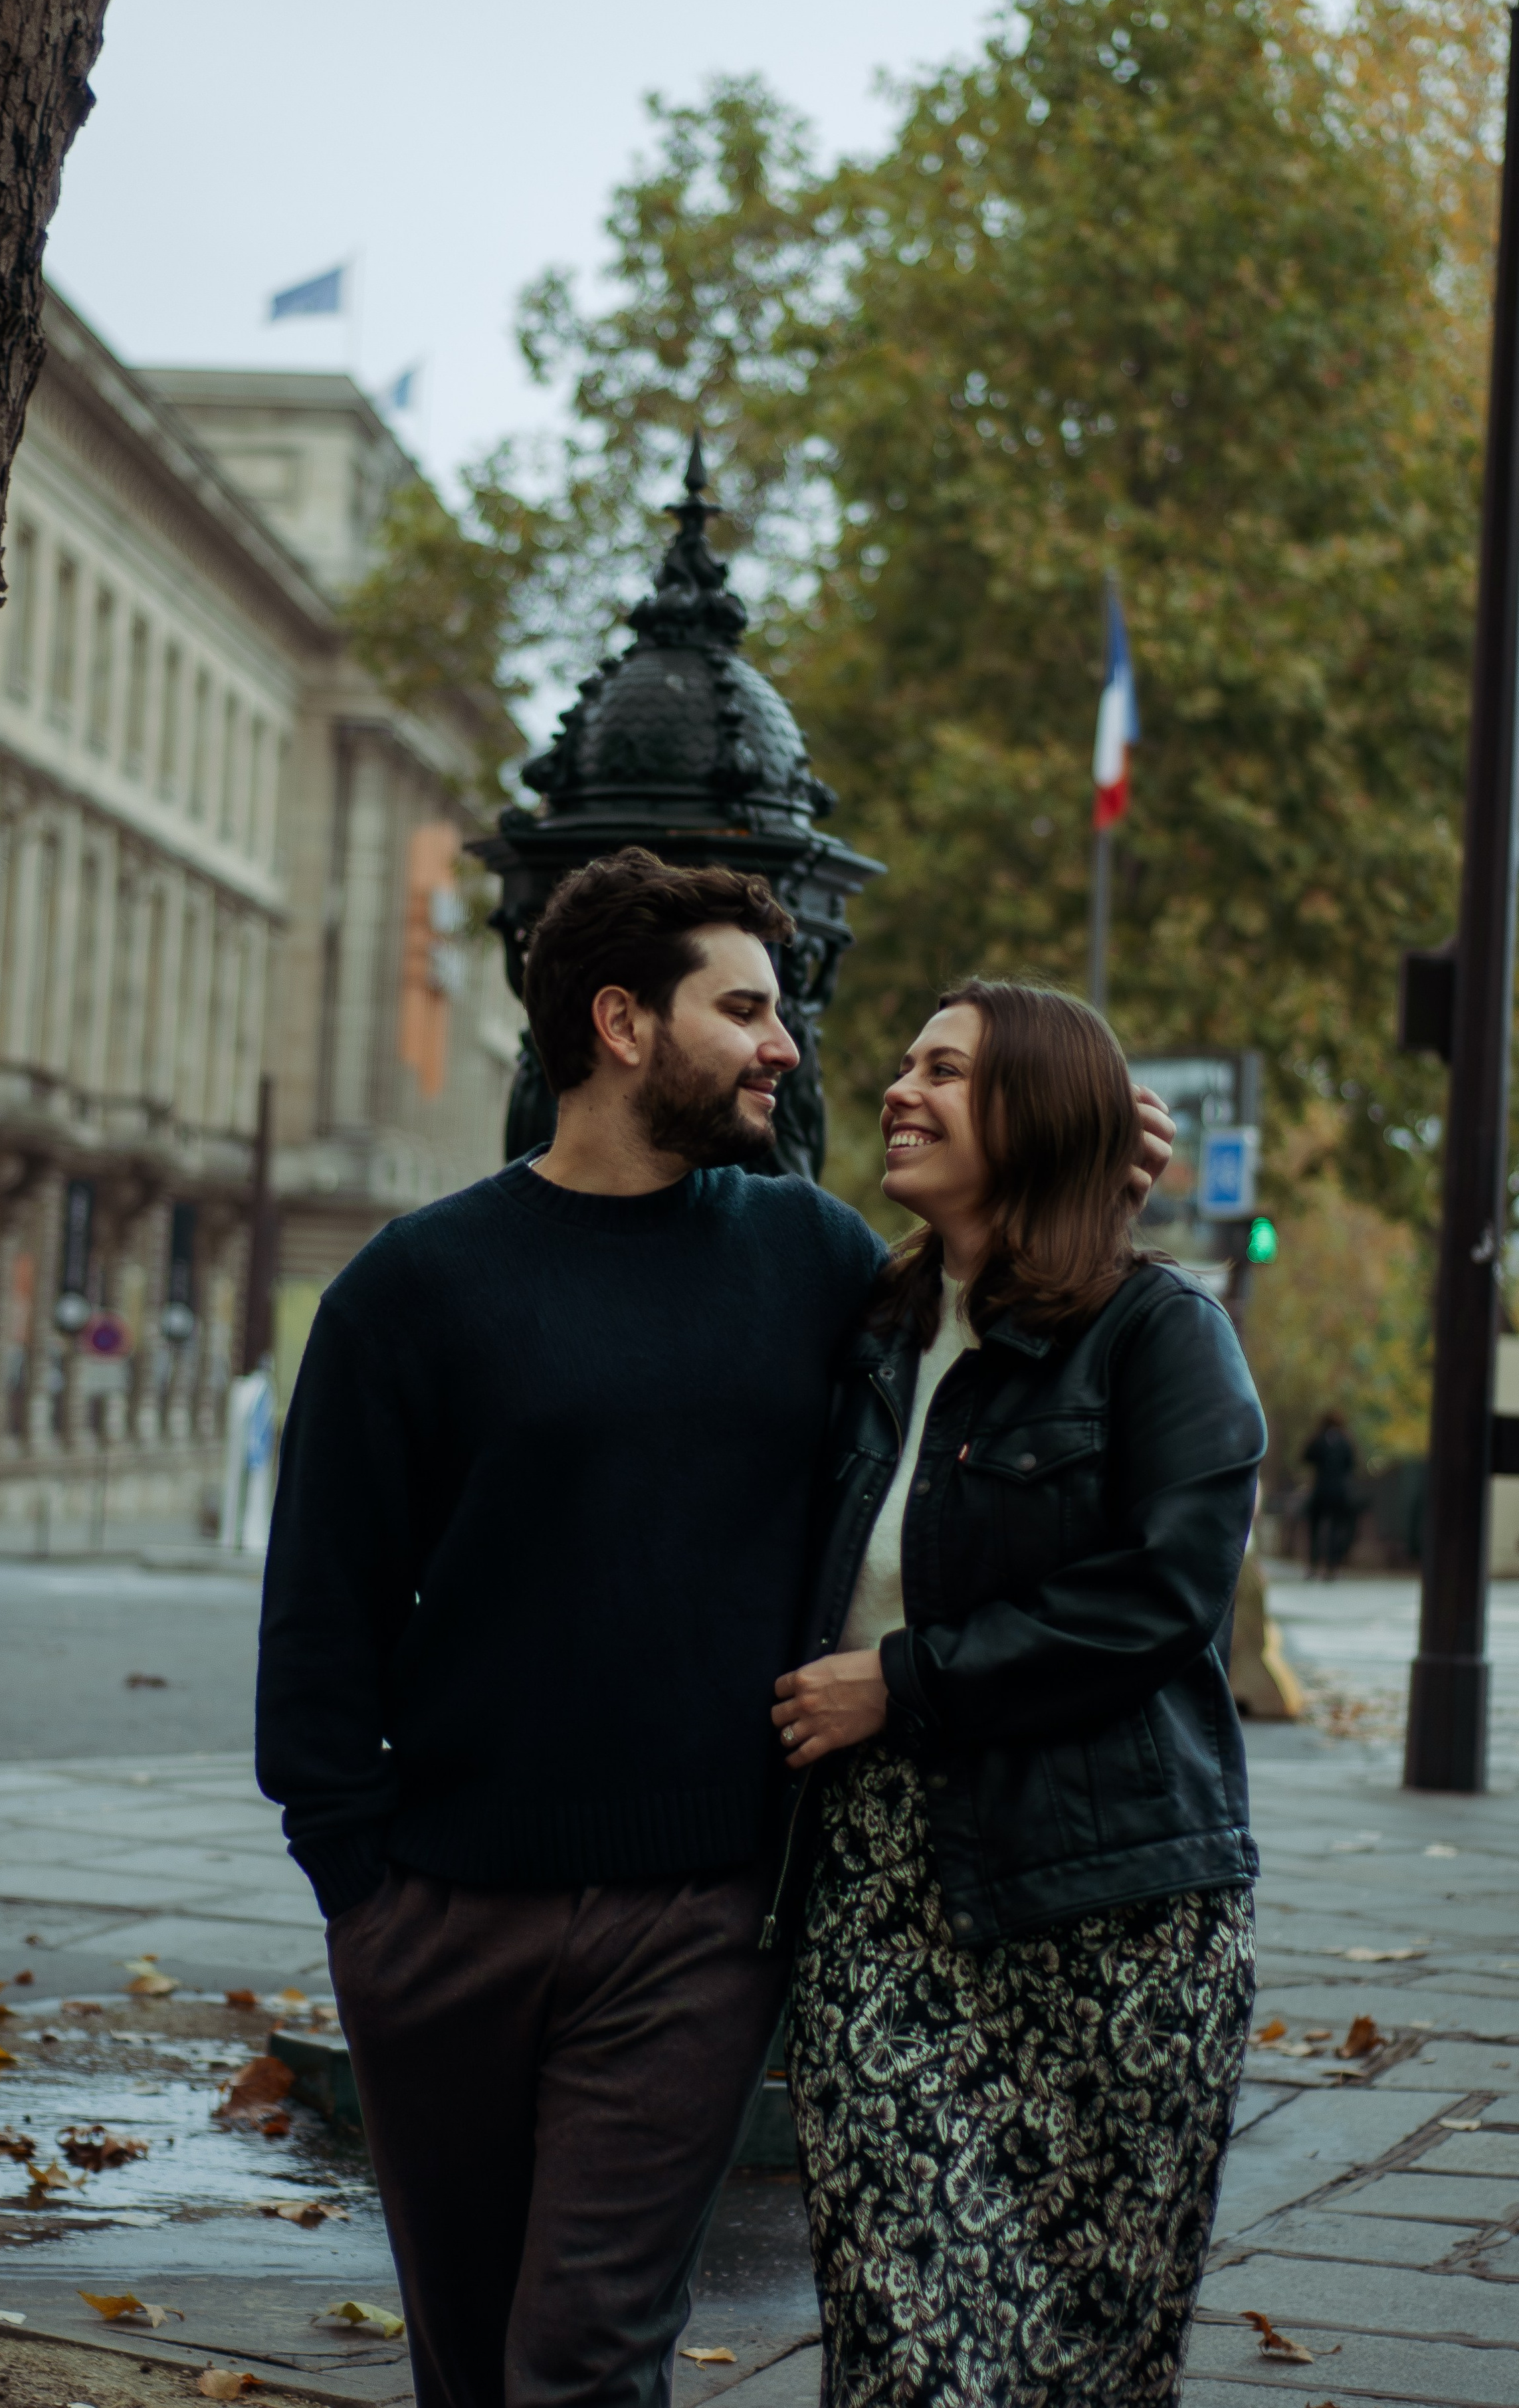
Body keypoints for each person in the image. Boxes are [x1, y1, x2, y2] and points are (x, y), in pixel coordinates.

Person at [256, 855, 1175, 2408]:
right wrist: (363, 1889)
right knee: (467, 2357)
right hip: (440, 1918)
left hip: (698, 1915)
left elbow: (1001, 1330)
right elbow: (320, 1616)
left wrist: (1082, 1177)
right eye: (743, 1006)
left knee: (584, 2354)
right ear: (621, 1021)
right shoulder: (406, 1290)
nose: (785, 1046)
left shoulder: (809, 1256)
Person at [771, 979, 1265, 2408]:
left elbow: (1163, 1597)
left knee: (1088, 2368)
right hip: (879, 1893)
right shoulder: (872, 1321)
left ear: (1037, 1117)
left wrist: (903, 1685)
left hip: (1113, 1910)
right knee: (906, 2352)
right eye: (903, 1062)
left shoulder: (1159, 1332)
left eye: (949, 1071)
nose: (897, 1088)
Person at [1302, 1412, 1358, 1579]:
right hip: (1338, 1492)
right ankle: (1332, 1567)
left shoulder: (1319, 1440)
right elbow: (1351, 1464)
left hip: (1320, 1490)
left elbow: (1306, 1456)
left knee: (1315, 1529)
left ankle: (1314, 1565)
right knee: (1335, 1530)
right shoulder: (1346, 1442)